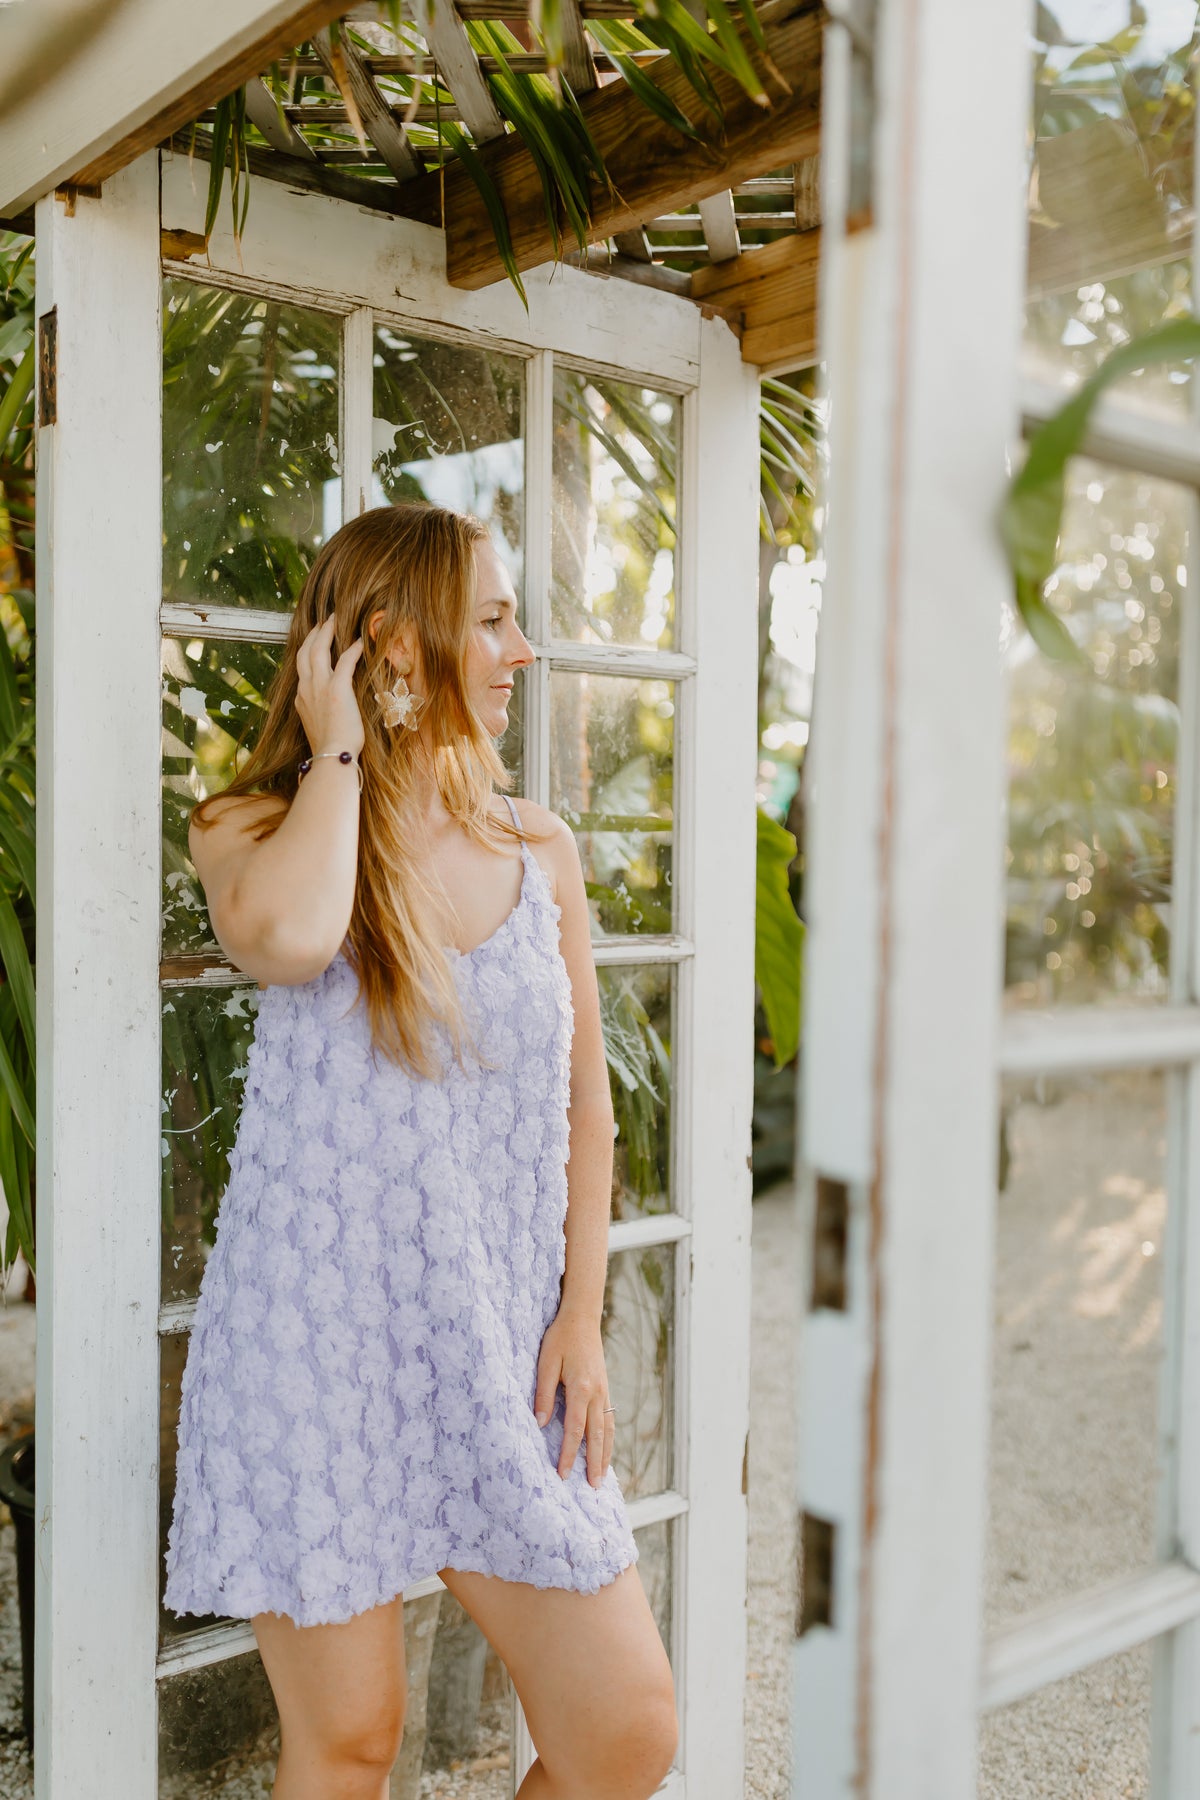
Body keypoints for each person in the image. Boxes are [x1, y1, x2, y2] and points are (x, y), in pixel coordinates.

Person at [162, 502, 679, 1800]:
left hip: (503, 1346)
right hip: (316, 1357)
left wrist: (582, 1319)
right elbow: (285, 940)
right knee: (352, 1743)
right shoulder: (250, 827)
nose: (524, 650)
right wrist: (342, 749)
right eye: (494, 620)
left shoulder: (540, 848)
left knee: (626, 1729)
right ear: (395, 644)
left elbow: (585, 1114)